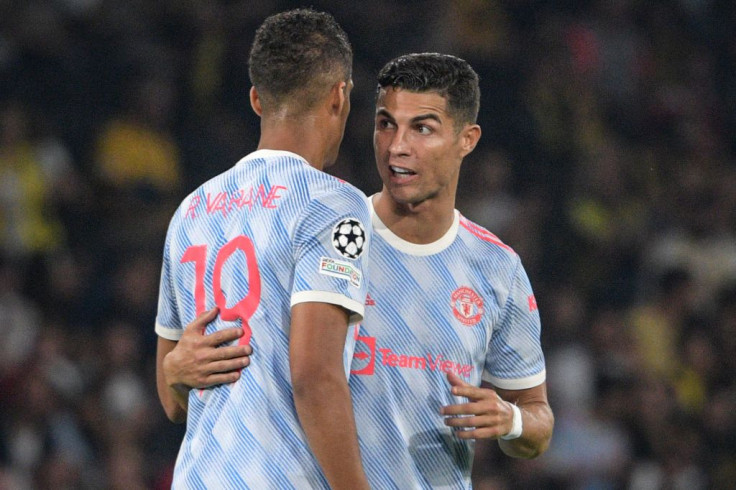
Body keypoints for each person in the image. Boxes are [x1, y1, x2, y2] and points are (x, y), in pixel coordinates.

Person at [165, 53, 554, 488]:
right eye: (386, 124)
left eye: (421, 128)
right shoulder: (328, 232)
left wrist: (512, 420)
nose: (396, 146)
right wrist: (175, 373)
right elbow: (260, 372)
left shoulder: (496, 268)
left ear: (467, 139)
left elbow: (538, 420)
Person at [154, 9, 371, 489]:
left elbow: (171, 394)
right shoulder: (332, 204)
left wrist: (173, 372)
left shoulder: (192, 210)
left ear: (256, 98)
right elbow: (313, 377)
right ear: (340, 96)